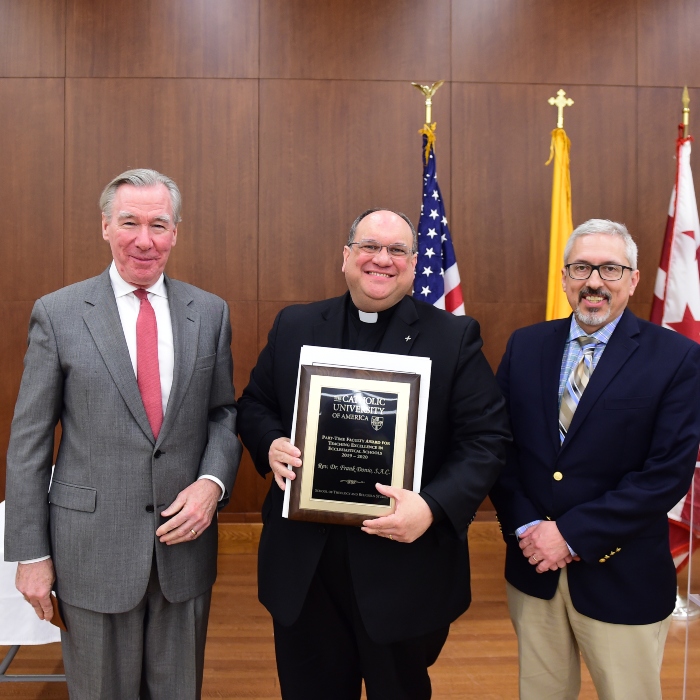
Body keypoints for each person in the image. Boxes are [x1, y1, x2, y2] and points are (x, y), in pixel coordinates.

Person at [237, 208, 510, 700]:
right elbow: (256, 405)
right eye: (369, 247)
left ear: (412, 262)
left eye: (397, 250)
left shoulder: (453, 337)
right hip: (306, 571)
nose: (381, 260)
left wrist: (431, 506)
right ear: (346, 257)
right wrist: (270, 442)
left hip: (403, 569)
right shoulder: (295, 324)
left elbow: (486, 440)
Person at [4, 169, 242, 699]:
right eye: (129, 222)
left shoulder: (209, 312)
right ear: (106, 228)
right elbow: (29, 443)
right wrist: (30, 555)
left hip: (185, 549)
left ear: (175, 232)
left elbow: (223, 415)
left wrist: (211, 484)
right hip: (91, 551)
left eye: (158, 224)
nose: (144, 239)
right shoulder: (59, 314)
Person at [490, 219, 700, 700]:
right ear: (565, 277)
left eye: (610, 268)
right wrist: (528, 529)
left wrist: (569, 534)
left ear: (633, 279)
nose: (594, 282)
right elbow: (498, 448)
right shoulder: (526, 345)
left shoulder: (676, 359)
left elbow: (665, 474)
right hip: (533, 569)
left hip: (621, 573)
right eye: (582, 267)